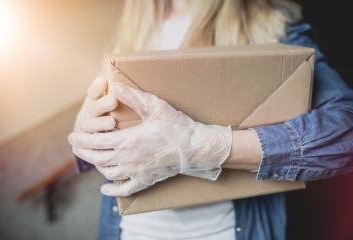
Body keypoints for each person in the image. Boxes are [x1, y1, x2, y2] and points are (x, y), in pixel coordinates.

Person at [68, 0, 353, 239]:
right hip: (129, 231)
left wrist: (203, 147)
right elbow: (117, 146)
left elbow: (346, 133)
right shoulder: (127, 34)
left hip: (225, 231)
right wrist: (90, 135)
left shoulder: (271, 25)